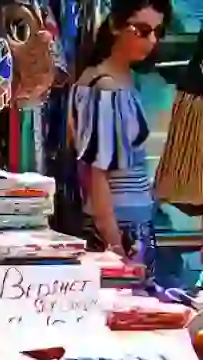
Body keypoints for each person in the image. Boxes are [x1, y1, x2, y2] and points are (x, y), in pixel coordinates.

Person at [71, 0, 172, 276]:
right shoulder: (105, 87)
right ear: (116, 26)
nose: (151, 40)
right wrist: (114, 246)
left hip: (131, 224)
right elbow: (96, 172)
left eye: (157, 31)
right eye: (142, 30)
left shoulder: (121, 79)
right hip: (119, 227)